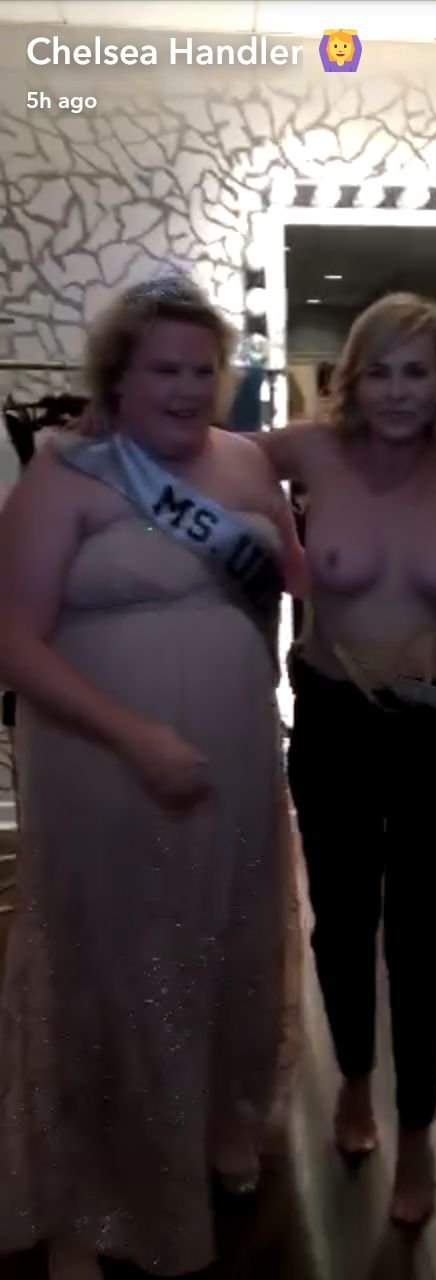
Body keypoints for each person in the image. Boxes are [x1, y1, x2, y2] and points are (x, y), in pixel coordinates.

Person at [0, 276, 305, 1280]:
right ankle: (79, 1203)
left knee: (226, 937)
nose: (185, 387)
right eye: (163, 369)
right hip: (99, 761)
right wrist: (134, 735)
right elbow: (12, 639)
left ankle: (220, 1121)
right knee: (107, 966)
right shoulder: (68, 471)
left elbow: (294, 578)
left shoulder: (250, 461)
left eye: (202, 368)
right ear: (118, 380)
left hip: (234, 756)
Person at [256, 292, 436, 1227]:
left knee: (420, 942)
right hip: (333, 723)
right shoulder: (309, 450)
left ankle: (417, 1130)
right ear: (352, 379)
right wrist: (96, 428)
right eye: (380, 371)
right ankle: (354, 1080)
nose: (399, 390)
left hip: (434, 737)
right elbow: (198, 447)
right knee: (341, 925)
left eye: (418, 370)